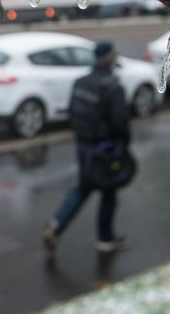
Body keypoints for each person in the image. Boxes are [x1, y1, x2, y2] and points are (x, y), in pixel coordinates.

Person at [43, 41, 131, 253]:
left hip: (83, 146)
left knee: (84, 186)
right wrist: (124, 147)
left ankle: (56, 224)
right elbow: (121, 123)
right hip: (105, 151)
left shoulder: (81, 82)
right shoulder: (112, 86)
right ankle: (105, 238)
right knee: (108, 192)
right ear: (111, 59)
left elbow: (72, 113)